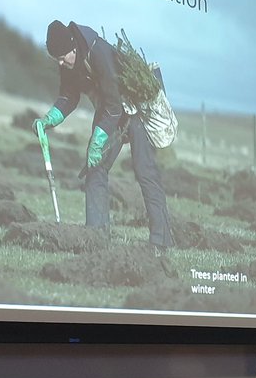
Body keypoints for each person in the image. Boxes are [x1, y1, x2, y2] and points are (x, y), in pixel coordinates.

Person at [33, 20, 173, 255]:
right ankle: (96, 236)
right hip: (111, 110)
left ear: (73, 48)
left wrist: (98, 139)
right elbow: (69, 95)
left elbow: (114, 105)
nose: (59, 62)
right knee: (95, 167)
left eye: (62, 57)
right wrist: (50, 118)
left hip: (135, 108)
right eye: (54, 58)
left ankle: (160, 242)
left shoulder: (99, 53)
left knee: (144, 170)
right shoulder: (69, 62)